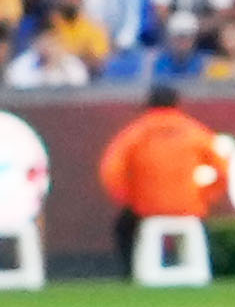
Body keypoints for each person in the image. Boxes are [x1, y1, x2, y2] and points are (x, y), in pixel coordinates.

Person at [95, 79, 222, 251]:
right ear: (178, 103)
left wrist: (129, 199)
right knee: (201, 232)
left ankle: (132, 271)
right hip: (188, 205)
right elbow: (223, 169)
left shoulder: (135, 133)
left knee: (123, 229)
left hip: (146, 206)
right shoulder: (195, 132)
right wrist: (206, 196)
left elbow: (110, 171)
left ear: (148, 104)